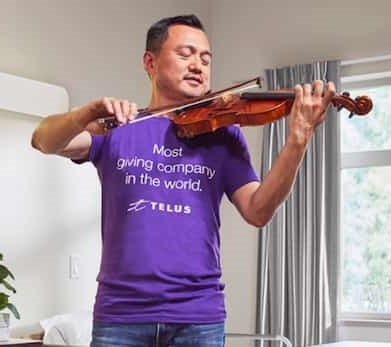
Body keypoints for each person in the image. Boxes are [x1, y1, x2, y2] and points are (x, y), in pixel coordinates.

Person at [31, 14, 334, 347]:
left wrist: (298, 139)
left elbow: (258, 210)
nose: (198, 65)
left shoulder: (223, 134)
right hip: (122, 314)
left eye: (205, 59)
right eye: (185, 53)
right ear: (150, 61)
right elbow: (44, 140)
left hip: (197, 315)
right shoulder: (116, 126)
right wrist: (85, 113)